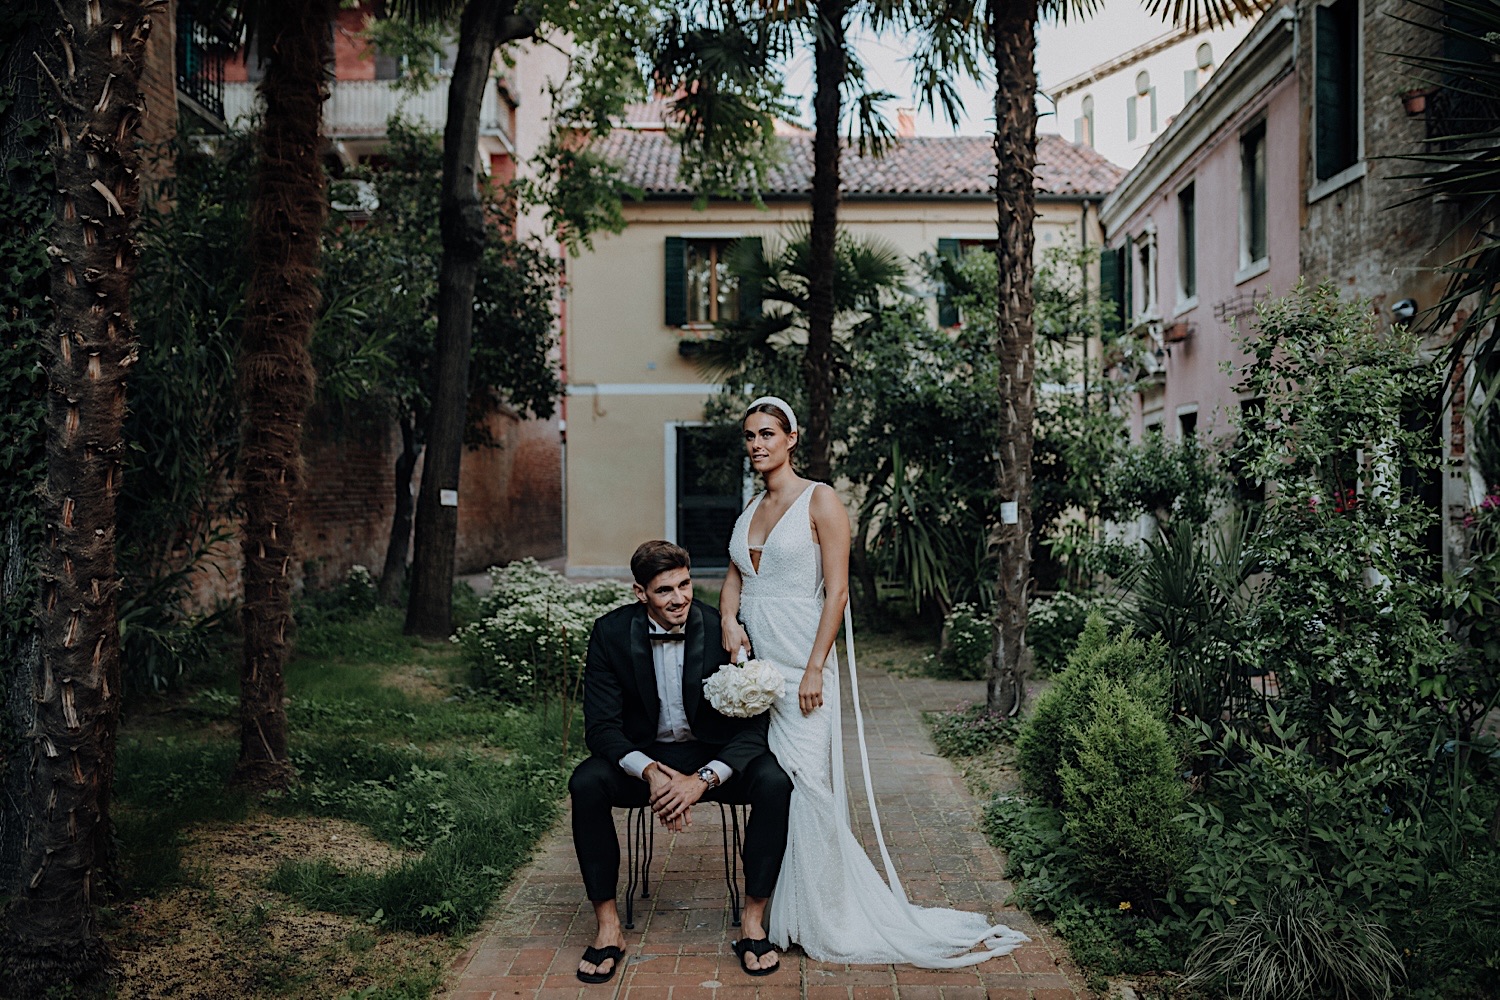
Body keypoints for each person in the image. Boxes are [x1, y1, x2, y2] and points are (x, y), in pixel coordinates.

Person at [719, 396, 1030, 967]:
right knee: (777, 788)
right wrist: (727, 621)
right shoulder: (749, 508)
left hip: (803, 665)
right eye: (749, 436)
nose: (757, 444)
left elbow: (836, 592)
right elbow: (737, 576)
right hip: (758, 671)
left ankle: (827, 912)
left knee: (809, 786)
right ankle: (773, 910)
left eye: (767, 433)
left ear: (792, 437)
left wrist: (815, 666)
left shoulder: (821, 499)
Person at [568, 540, 794, 984]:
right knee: (585, 783)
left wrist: (701, 781)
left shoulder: (723, 628)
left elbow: (752, 729)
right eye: (665, 590)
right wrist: (650, 772)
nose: (680, 598)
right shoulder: (610, 634)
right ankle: (609, 927)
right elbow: (600, 728)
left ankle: (752, 921)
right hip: (643, 758)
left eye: (685, 584)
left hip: (711, 755)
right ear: (640, 593)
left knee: (775, 783)